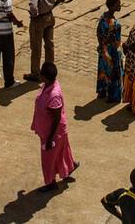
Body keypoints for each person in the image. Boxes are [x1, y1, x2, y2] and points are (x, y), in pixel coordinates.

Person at [31, 61, 78, 192]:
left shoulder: (54, 96)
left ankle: (51, 183)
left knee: (48, 159)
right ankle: (69, 167)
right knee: (61, 152)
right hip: (50, 131)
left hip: (53, 133)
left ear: (45, 77)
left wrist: (50, 139)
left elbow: (56, 118)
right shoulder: (48, 85)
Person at [25, 0, 68, 82]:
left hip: (38, 20)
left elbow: (33, 6)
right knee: (49, 45)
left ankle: (35, 73)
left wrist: (34, 14)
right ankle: (49, 71)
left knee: (36, 47)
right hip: (50, 17)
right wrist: (55, 4)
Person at [97, 0, 124, 102]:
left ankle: (102, 91)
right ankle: (113, 96)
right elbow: (117, 41)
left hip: (103, 49)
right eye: (118, 4)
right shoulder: (116, 24)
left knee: (103, 70)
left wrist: (101, 45)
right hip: (112, 51)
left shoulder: (103, 17)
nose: (120, 5)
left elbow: (98, 32)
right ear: (112, 6)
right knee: (114, 73)